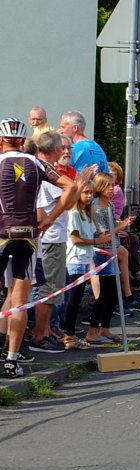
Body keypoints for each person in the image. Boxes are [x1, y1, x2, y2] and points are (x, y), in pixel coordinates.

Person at [0, 119, 74, 379]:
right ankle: (11, 360)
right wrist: (49, 219)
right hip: (29, 237)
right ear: (23, 141)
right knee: (19, 302)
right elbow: (72, 186)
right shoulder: (36, 162)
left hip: (1, 233)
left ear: (1, 141)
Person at [29, 131, 88, 353]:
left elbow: (69, 201)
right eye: (63, 147)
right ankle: (39, 335)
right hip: (50, 238)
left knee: (54, 289)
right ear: (53, 149)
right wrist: (79, 185)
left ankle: (46, 330)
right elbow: (64, 203)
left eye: (69, 148)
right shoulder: (44, 173)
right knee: (48, 289)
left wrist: (78, 185)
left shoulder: (51, 172)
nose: (66, 152)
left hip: (56, 236)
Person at [86, 172, 134, 344]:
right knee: (105, 294)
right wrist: (120, 226)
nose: (112, 189)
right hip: (102, 253)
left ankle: (104, 328)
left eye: (113, 185)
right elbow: (104, 233)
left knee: (112, 293)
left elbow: (112, 228)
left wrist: (119, 228)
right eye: (108, 186)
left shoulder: (110, 206)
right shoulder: (98, 207)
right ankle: (92, 331)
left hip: (112, 252)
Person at [63, 183, 97, 350]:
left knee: (77, 298)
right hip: (75, 258)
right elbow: (76, 239)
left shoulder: (86, 213)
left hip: (85, 258)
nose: (89, 196)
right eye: (86, 192)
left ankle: (70, 334)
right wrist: (97, 241)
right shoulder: (75, 213)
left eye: (91, 192)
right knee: (74, 298)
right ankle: (69, 335)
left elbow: (95, 234)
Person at [108, 161, 140, 286]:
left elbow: (115, 213)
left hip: (114, 223)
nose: (111, 176)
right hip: (109, 227)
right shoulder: (109, 190)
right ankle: (135, 275)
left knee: (130, 238)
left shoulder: (116, 190)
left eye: (114, 174)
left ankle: (135, 274)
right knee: (128, 238)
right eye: (109, 173)